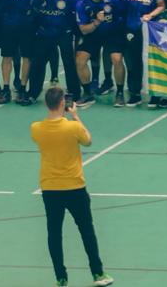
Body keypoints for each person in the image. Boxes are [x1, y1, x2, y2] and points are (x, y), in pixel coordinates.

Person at [30, 86, 114, 287]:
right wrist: (75, 116)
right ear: (63, 104)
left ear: (46, 104)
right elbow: (88, 140)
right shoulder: (72, 127)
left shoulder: (36, 128)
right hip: (74, 186)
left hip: (50, 188)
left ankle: (61, 277)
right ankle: (98, 273)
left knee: (54, 233)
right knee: (86, 230)